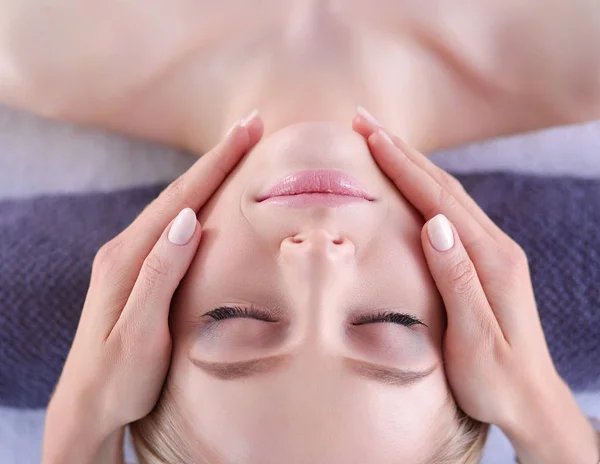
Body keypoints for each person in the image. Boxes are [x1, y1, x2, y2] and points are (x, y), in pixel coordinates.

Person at [1, 2, 597, 463]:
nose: (315, 260)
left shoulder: (23, 41)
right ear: (481, 315)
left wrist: (76, 432)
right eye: (389, 324)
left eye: (237, 319)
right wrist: (551, 424)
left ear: (145, 306)